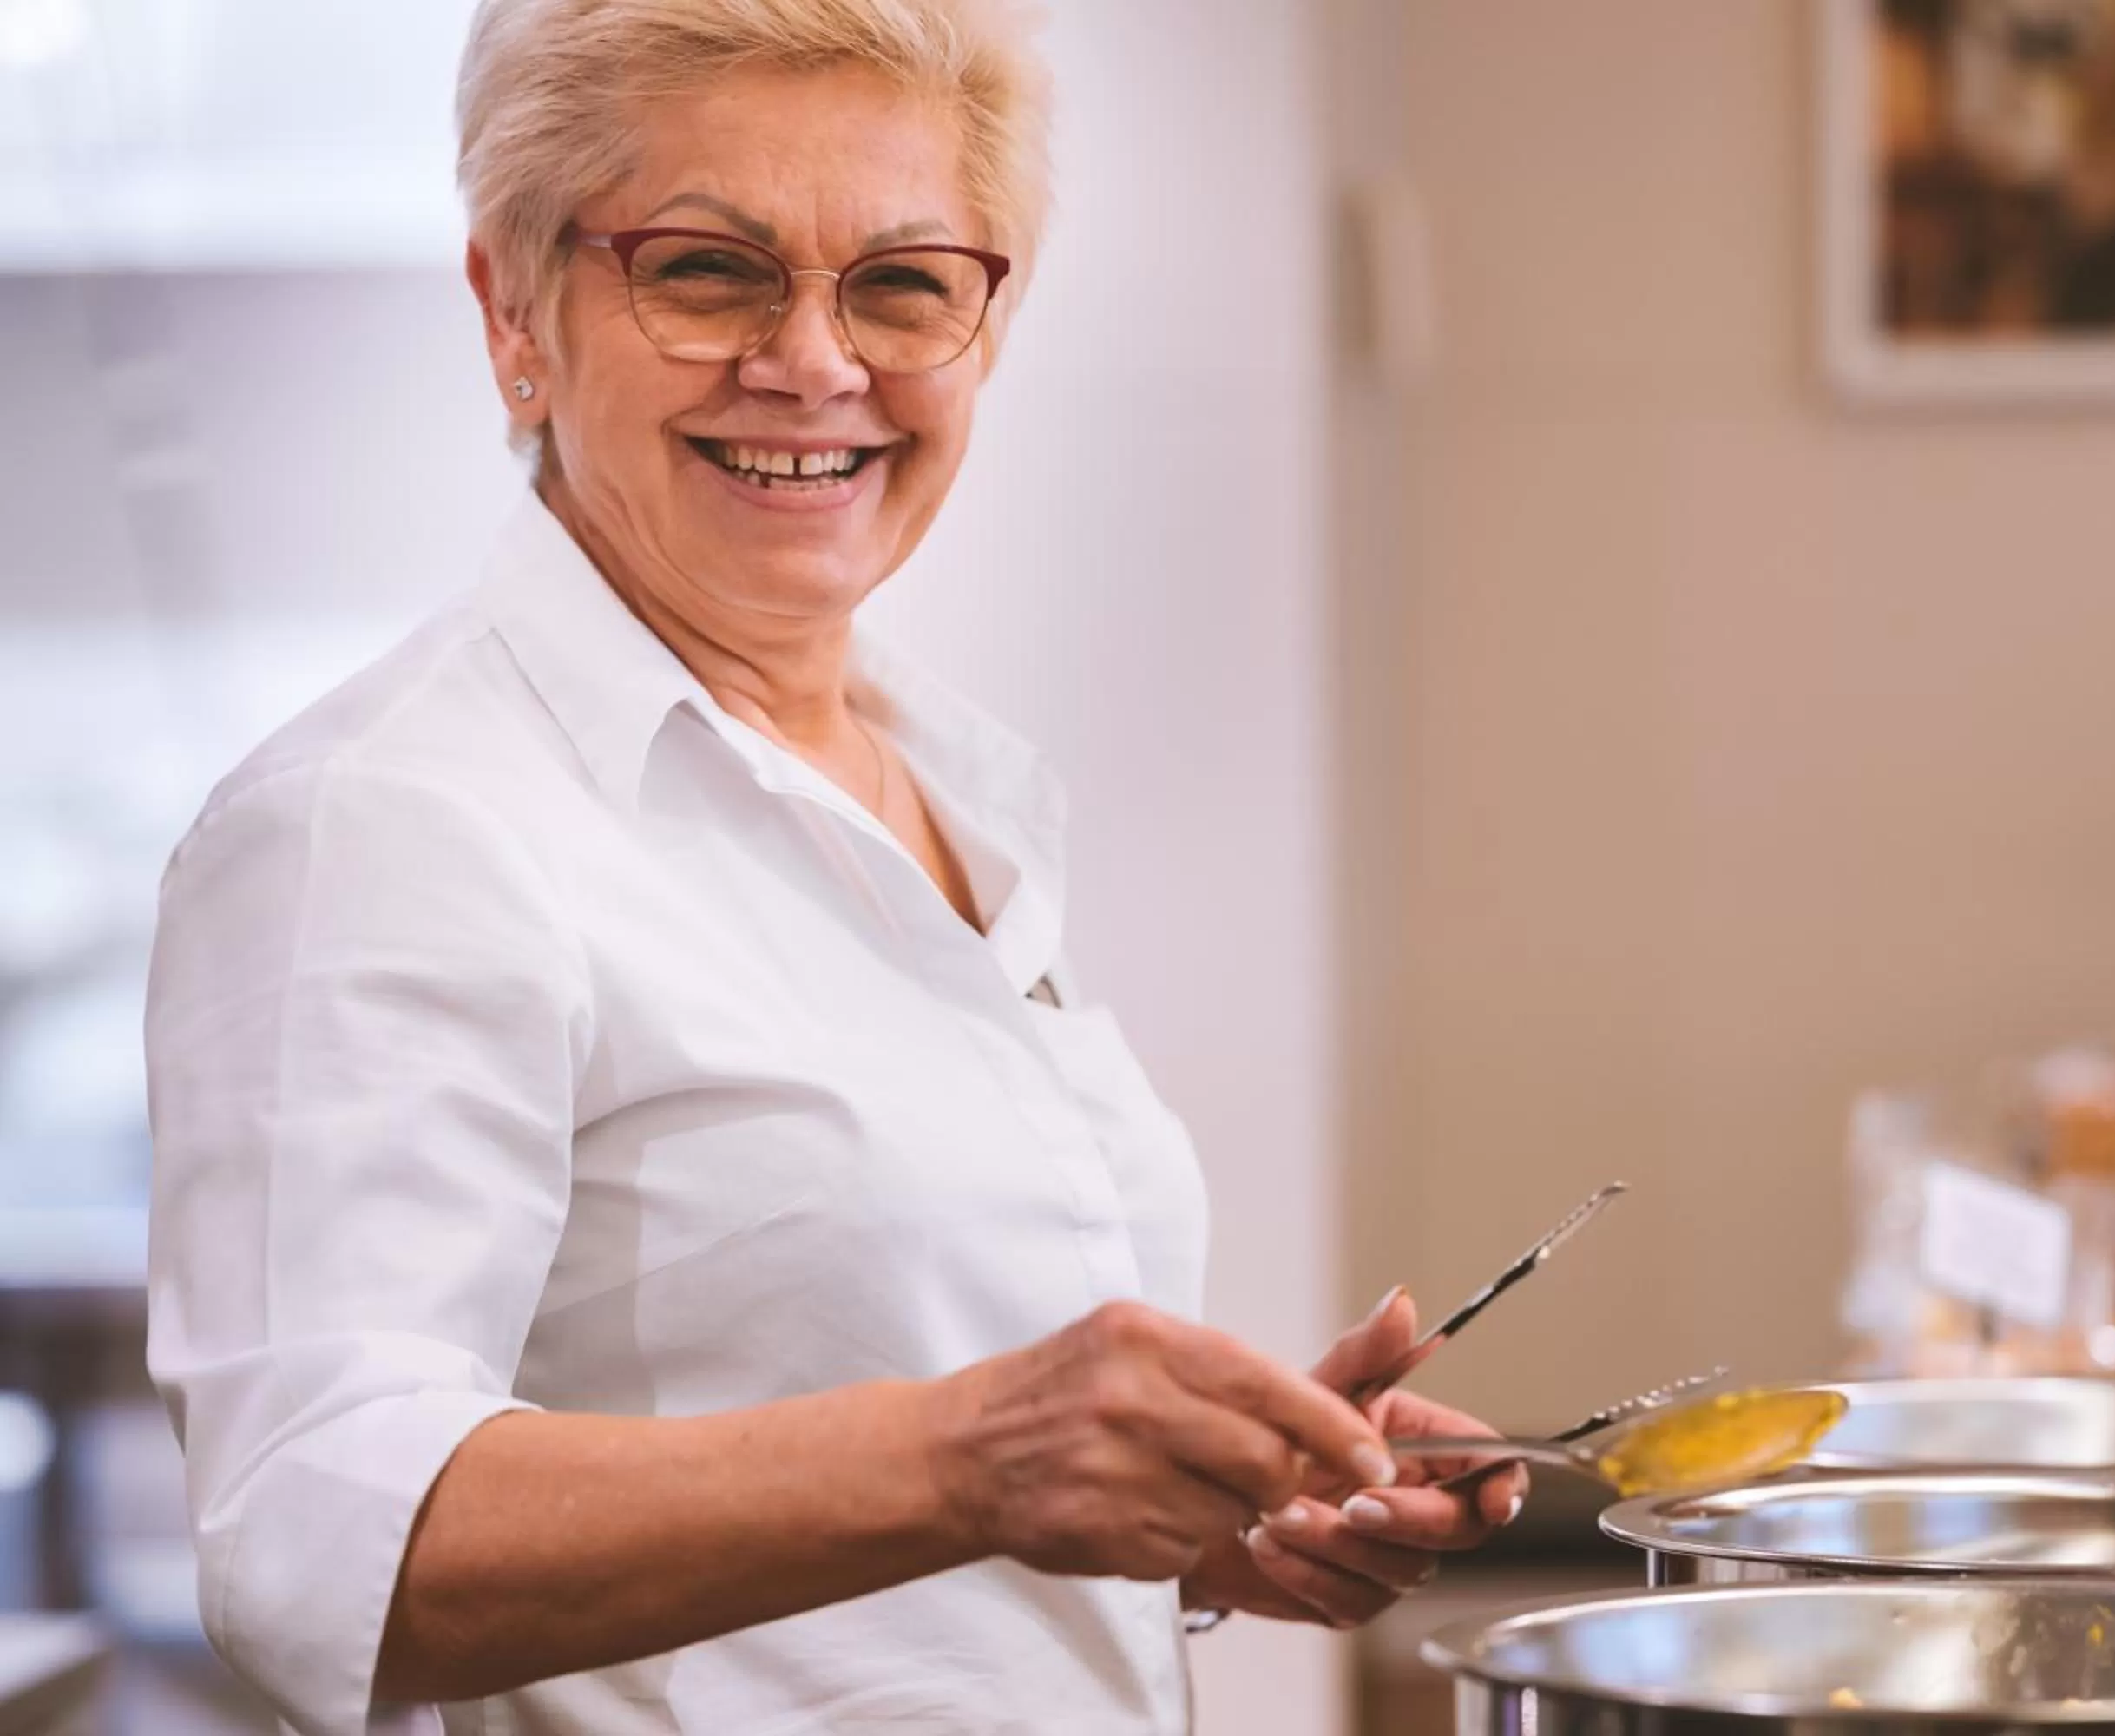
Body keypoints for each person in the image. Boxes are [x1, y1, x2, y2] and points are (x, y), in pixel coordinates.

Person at [141, 2, 1521, 1730]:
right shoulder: (384, 823)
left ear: (987, 322)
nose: (814, 362)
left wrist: (1197, 1508)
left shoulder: (947, 784)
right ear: (516, 313)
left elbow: (848, 1457)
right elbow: (314, 1545)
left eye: (903, 281)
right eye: (707, 271)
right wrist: (977, 1457)